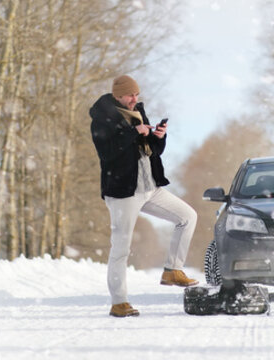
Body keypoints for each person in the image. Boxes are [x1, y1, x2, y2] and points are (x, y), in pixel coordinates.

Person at [89, 75, 200, 318]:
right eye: (130, 95)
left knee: (187, 216)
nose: (135, 99)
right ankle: (119, 302)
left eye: (137, 95)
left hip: (150, 187)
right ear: (118, 95)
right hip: (123, 192)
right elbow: (107, 154)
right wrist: (132, 132)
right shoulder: (102, 119)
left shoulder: (138, 112)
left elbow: (151, 151)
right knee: (121, 248)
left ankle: (173, 270)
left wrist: (158, 137)